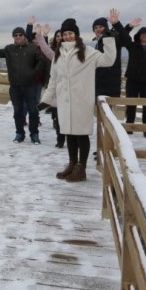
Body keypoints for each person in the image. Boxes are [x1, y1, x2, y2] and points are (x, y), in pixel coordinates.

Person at [41, 13, 117, 182]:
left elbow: (108, 60)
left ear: (76, 34)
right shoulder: (58, 54)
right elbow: (53, 79)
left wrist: (109, 39)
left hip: (82, 101)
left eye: (70, 33)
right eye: (65, 33)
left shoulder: (88, 52)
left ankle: (81, 169)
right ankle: (72, 164)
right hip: (64, 101)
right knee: (69, 134)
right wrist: (46, 99)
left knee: (81, 135)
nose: (67, 36)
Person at [0, 26, 43, 144]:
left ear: (24, 36)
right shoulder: (9, 49)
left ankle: (34, 134)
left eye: (20, 34)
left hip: (30, 86)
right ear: (13, 37)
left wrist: (33, 75)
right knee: (17, 111)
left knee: (33, 111)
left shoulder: (33, 48)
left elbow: (41, 62)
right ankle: (19, 133)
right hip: (15, 87)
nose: (18, 37)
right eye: (15, 35)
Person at [35, 23, 64, 148]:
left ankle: (70, 139)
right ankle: (60, 139)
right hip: (57, 91)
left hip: (72, 93)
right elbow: (45, 49)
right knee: (58, 118)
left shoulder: (79, 53)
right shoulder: (56, 55)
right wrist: (40, 36)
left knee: (68, 119)